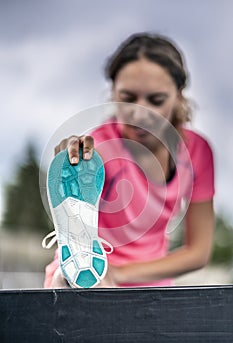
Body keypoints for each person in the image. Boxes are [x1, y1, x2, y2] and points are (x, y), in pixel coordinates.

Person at [44, 32, 215, 288]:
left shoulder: (197, 151)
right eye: (127, 98)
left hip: (149, 285)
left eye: (156, 100)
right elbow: (82, 156)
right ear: (112, 91)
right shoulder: (99, 147)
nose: (139, 112)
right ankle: (70, 275)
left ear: (179, 96)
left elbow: (198, 252)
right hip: (96, 277)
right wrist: (73, 162)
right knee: (78, 284)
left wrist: (120, 274)